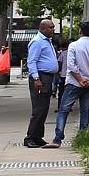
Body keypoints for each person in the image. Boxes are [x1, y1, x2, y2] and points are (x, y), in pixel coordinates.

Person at [52, 21, 89, 147]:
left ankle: (58, 138)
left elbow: (71, 66)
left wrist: (80, 80)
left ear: (80, 31)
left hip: (74, 83)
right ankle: (83, 136)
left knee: (63, 110)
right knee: (85, 110)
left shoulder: (74, 46)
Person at [24, 18, 60, 148]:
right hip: (40, 77)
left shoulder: (47, 41)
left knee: (44, 108)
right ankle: (30, 137)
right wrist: (36, 78)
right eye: (50, 27)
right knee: (38, 108)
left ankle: (38, 136)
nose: (53, 30)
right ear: (43, 28)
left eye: (53, 27)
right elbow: (31, 61)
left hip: (48, 77)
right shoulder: (37, 42)